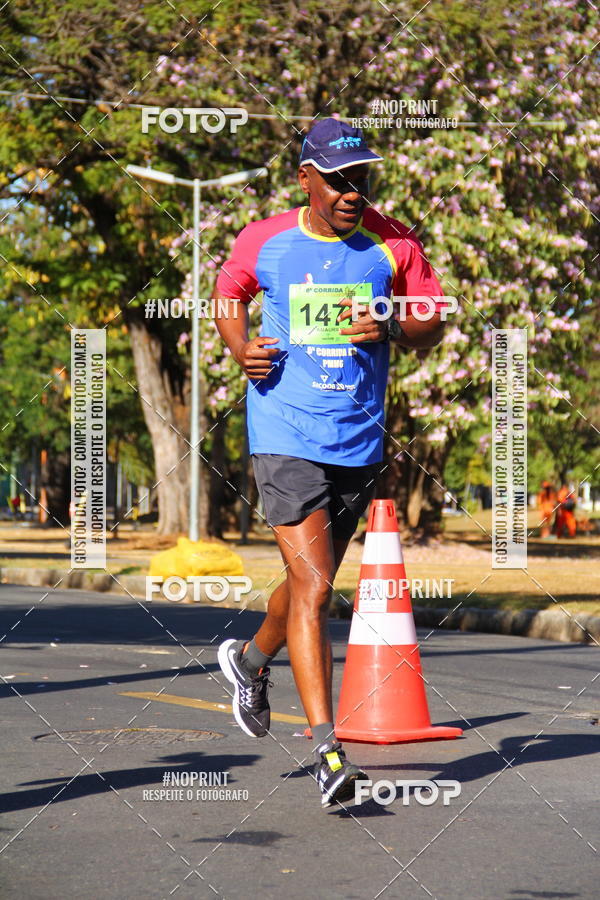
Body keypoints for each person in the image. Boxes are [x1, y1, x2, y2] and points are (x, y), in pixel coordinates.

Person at [213, 118, 445, 808]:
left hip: (357, 439)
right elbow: (227, 292)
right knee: (314, 589)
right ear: (305, 178)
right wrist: (240, 347)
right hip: (283, 431)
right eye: (339, 181)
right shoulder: (265, 239)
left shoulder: (393, 242)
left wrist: (393, 325)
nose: (352, 193)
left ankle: (250, 661)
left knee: (307, 583)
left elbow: (433, 318)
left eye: (361, 180)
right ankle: (328, 753)